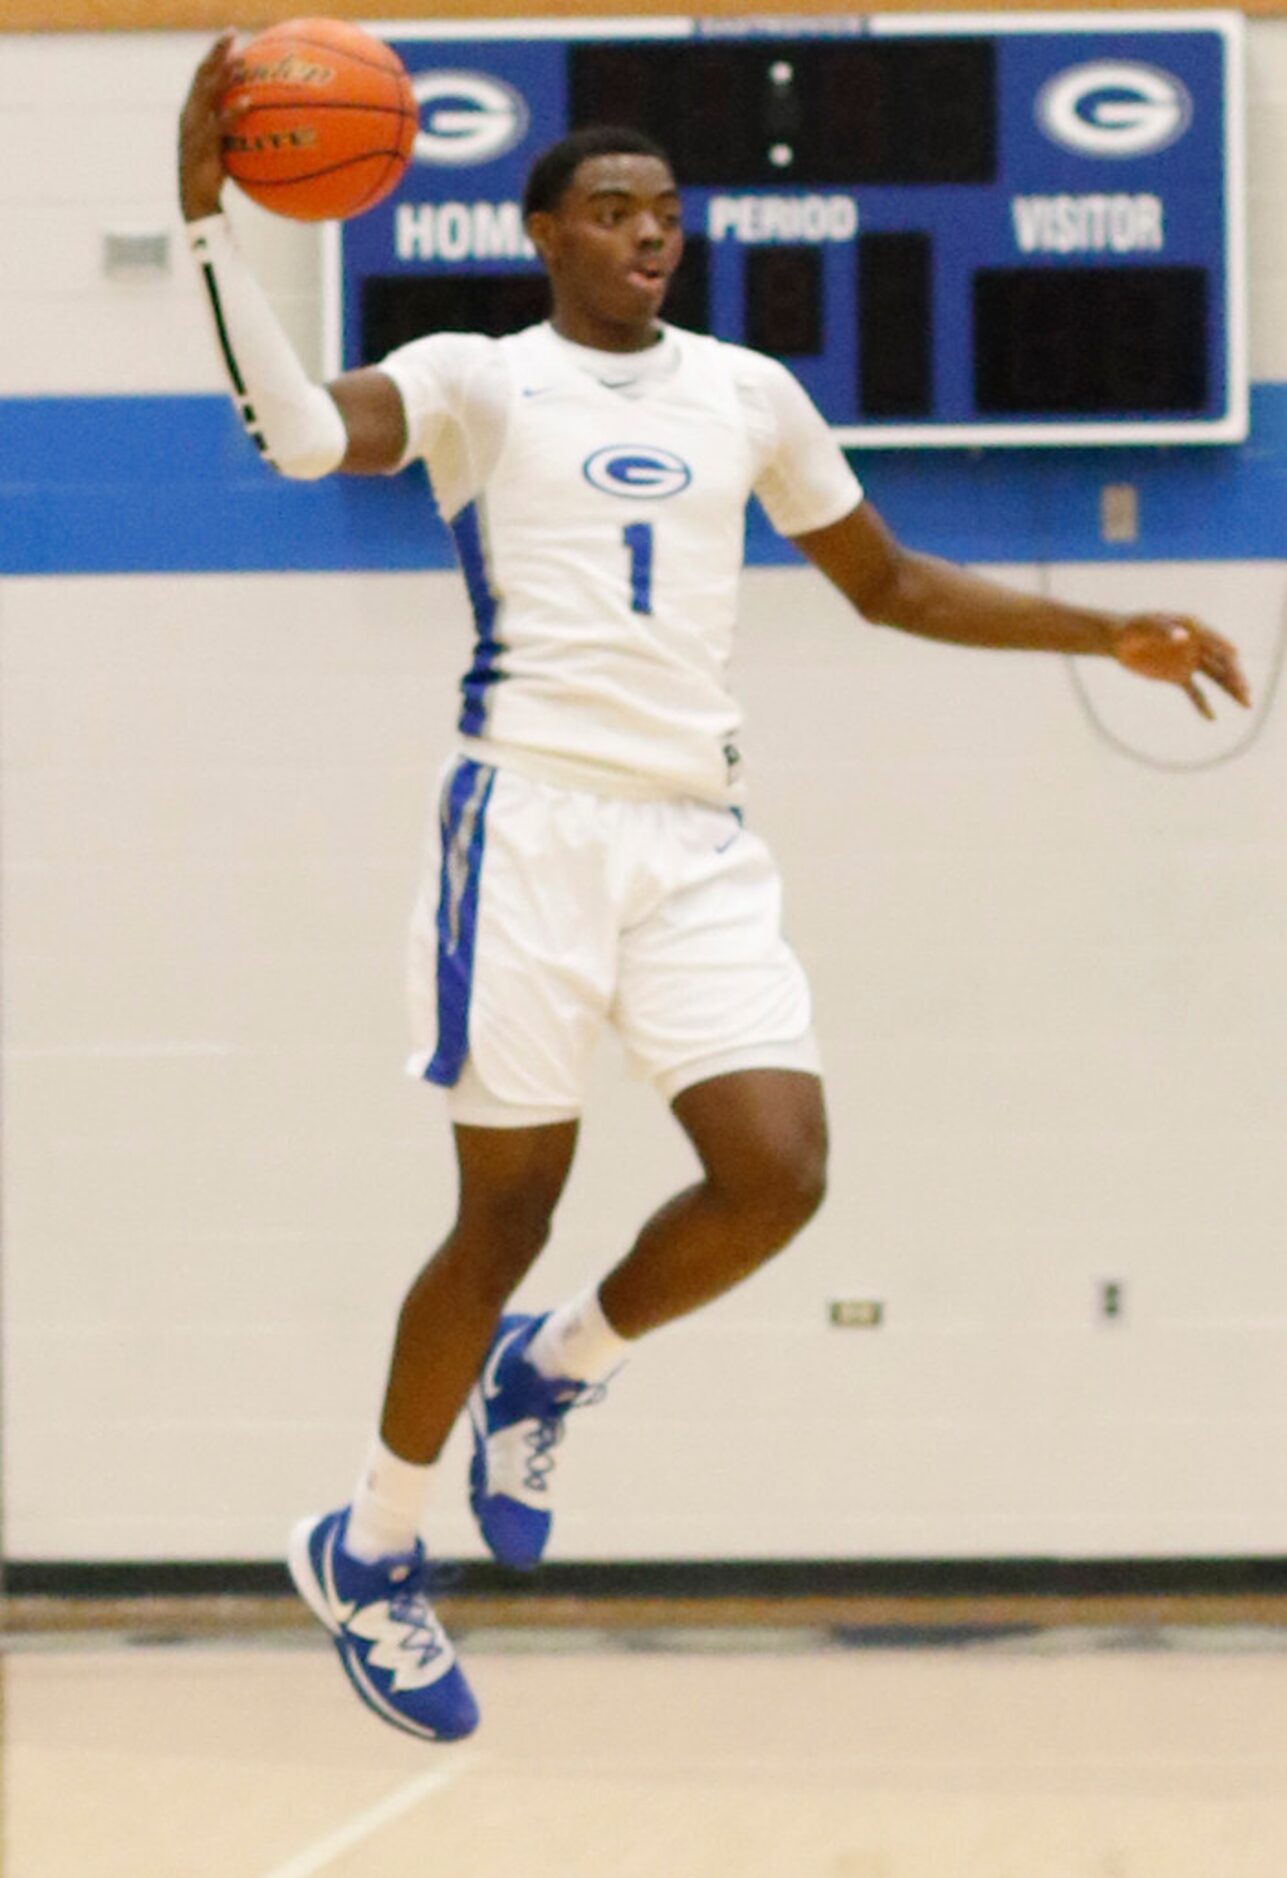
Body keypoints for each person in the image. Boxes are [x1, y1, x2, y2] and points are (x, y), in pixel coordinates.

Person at [178, 33, 1250, 1744]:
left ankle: (555, 1369)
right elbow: (302, 439)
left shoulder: (748, 391)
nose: (650, 234)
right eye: (613, 210)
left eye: (666, 211)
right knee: (505, 1211)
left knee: (777, 1170)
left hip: (695, 834)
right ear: (546, 233)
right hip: (526, 825)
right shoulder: (474, 375)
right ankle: (372, 1543)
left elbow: (889, 582)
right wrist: (212, 231)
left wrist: (1102, 628)